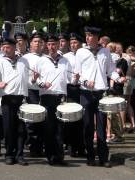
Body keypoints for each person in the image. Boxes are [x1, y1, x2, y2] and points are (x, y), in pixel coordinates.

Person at [76, 26, 122, 168]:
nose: (87, 38)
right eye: (86, 35)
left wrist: (119, 78)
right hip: (86, 93)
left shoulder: (105, 51)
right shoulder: (81, 52)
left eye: (90, 35)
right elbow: (77, 74)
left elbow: (111, 71)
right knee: (88, 125)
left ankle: (103, 157)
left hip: (101, 93)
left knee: (101, 126)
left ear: (97, 37)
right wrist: (85, 81)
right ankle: (90, 156)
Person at [0, 38, 33, 166]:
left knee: (21, 129)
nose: (4, 49)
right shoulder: (0, 62)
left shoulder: (24, 61)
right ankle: (9, 154)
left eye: (7, 47)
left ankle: (20, 155)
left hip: (21, 99)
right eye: (3, 47)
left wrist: (34, 79)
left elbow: (29, 80)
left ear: (14, 48)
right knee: (8, 128)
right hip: (7, 99)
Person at [36, 34, 73, 166]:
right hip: (47, 97)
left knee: (60, 128)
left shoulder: (65, 61)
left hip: (61, 97)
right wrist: (41, 84)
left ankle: (60, 156)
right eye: (49, 44)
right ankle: (51, 155)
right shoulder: (41, 60)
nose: (51, 47)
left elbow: (71, 79)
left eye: (54, 44)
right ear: (46, 45)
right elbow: (34, 79)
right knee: (49, 128)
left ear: (58, 45)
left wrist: (76, 78)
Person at [63, 32, 85, 157]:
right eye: (71, 43)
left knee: (83, 120)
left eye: (75, 42)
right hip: (71, 89)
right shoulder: (66, 57)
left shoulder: (85, 55)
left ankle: (82, 147)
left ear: (80, 44)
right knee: (72, 119)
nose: (72, 45)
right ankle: (71, 147)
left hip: (83, 89)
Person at [22, 32, 45, 157]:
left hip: (45, 92)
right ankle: (33, 146)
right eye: (35, 41)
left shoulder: (46, 58)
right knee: (33, 120)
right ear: (30, 44)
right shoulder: (26, 58)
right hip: (32, 91)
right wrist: (33, 80)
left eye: (40, 42)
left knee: (43, 120)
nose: (38, 44)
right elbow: (23, 77)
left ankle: (41, 145)